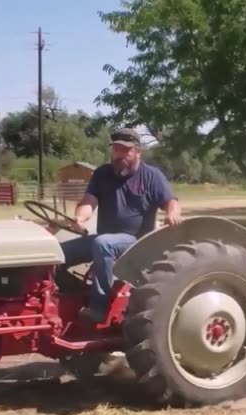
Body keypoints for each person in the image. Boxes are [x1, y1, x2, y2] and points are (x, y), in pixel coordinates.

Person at [59, 127, 182, 324]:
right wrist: (80, 217)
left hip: (138, 241)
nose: (119, 155)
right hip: (106, 237)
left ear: (138, 152)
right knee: (56, 254)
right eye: (116, 149)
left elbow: (170, 202)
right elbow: (89, 201)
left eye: (126, 150)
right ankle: (72, 297)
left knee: (102, 244)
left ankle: (99, 307)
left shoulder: (151, 176)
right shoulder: (102, 174)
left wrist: (172, 214)